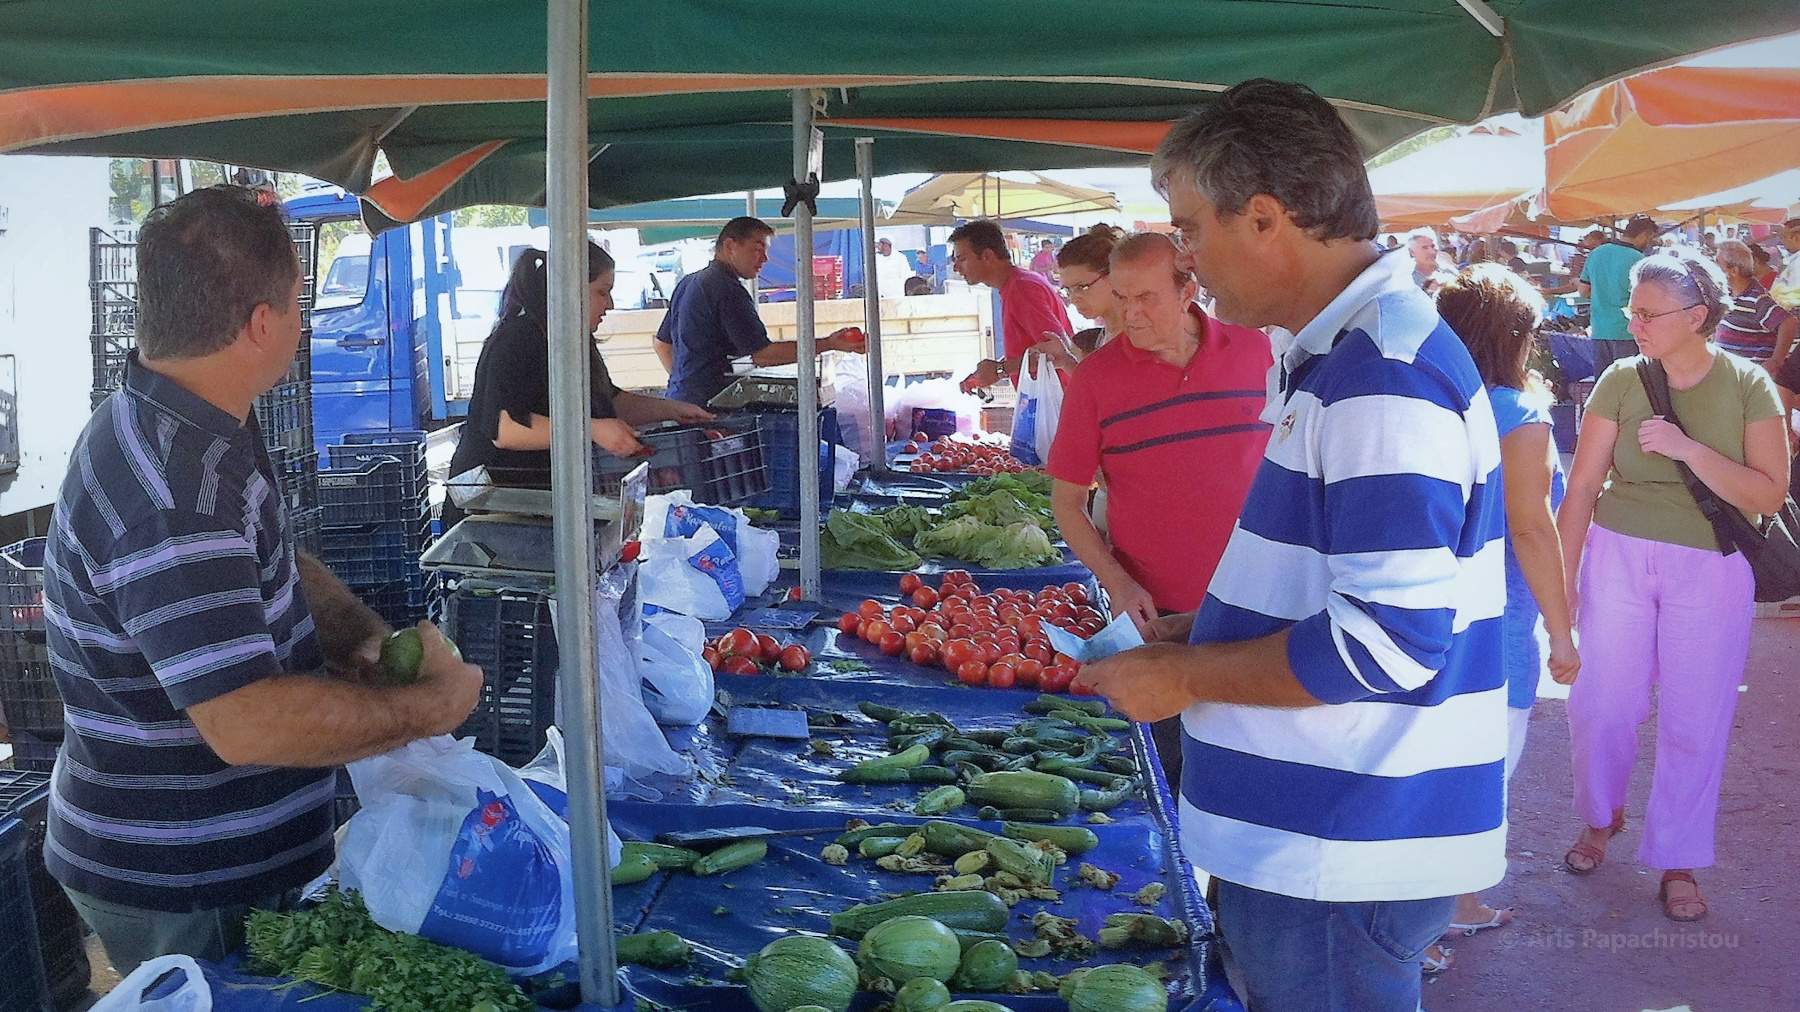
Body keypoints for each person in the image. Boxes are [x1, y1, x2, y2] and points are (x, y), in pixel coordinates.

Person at [1076, 80, 1506, 1011]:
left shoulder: (1381, 375)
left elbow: (1386, 643)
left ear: (1265, 218)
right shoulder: (1340, 353)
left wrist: (1186, 679)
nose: (1186, 257)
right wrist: (1211, 629)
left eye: (1188, 229)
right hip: (1323, 835)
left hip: (1339, 845)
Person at [41, 186, 484, 973]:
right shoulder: (175, 488)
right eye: (296, 304)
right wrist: (428, 707)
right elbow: (245, 723)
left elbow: (266, 562)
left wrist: (356, 633)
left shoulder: (200, 414)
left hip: (214, 858)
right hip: (186, 882)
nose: (304, 321)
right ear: (258, 324)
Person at [1557, 251, 1789, 922]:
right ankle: (1603, 818)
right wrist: (1562, 584)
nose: (1634, 323)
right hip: (1619, 555)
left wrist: (1689, 450)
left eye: (1647, 312)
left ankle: (1678, 858)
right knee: (1601, 705)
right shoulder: (1621, 379)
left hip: (1711, 566)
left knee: (1695, 718)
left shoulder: (1748, 384)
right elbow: (1580, 488)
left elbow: (1769, 491)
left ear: (1697, 316)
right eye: (1632, 310)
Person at [1046, 232, 1270, 789]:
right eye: (1120, 297)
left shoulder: (1258, 350)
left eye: (1145, 297)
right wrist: (1119, 584)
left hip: (1258, 619)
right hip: (1160, 629)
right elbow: (1067, 502)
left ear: (1189, 289)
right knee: (1175, 787)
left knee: (1257, 791)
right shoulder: (1097, 377)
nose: (1130, 313)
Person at [1431, 264, 1582, 954]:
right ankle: (1433, 919)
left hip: (1419, 608)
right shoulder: (1519, 414)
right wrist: (1562, 629)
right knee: (1484, 770)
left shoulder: (1422, 395)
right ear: (1516, 337)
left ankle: (1446, 903)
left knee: (1424, 767)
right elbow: (1530, 528)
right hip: (1493, 622)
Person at [445, 243, 714, 528]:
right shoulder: (519, 337)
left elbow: (610, 403)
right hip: (492, 508)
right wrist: (593, 429)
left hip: (543, 504)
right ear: (570, 288)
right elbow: (506, 428)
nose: (609, 305)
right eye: (602, 292)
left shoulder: (575, 340)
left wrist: (673, 410)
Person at [654, 216, 863, 406]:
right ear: (730, 246)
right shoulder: (726, 288)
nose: (765, 258)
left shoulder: (689, 282)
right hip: (710, 408)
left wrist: (686, 386)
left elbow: (662, 344)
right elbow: (763, 355)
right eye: (757, 249)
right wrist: (829, 343)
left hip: (679, 400)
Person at [951, 219, 1074, 393]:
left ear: (987, 256)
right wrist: (997, 369)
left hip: (1056, 402)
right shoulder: (1016, 284)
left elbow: (1055, 352)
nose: (956, 267)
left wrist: (1000, 370)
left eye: (961, 259)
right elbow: (1035, 348)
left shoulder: (1022, 288)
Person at [1038, 224, 1126, 370]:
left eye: (1082, 287)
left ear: (1112, 275)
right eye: (1069, 290)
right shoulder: (1108, 333)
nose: (1073, 299)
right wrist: (1067, 362)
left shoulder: (1138, 337)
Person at [1580, 214, 1658, 373]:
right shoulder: (1640, 260)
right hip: (1628, 332)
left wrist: (1603, 294)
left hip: (1599, 330)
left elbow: (1583, 291)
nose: (1650, 243)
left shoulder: (1596, 253)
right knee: (1628, 384)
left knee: (1603, 384)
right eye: (1650, 238)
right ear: (1644, 234)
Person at [1714, 238, 1796, 369]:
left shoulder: (1757, 299)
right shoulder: (1729, 295)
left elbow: (1789, 322)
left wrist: (1776, 361)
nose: (1713, 268)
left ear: (1733, 271)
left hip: (1749, 380)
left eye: (1717, 263)